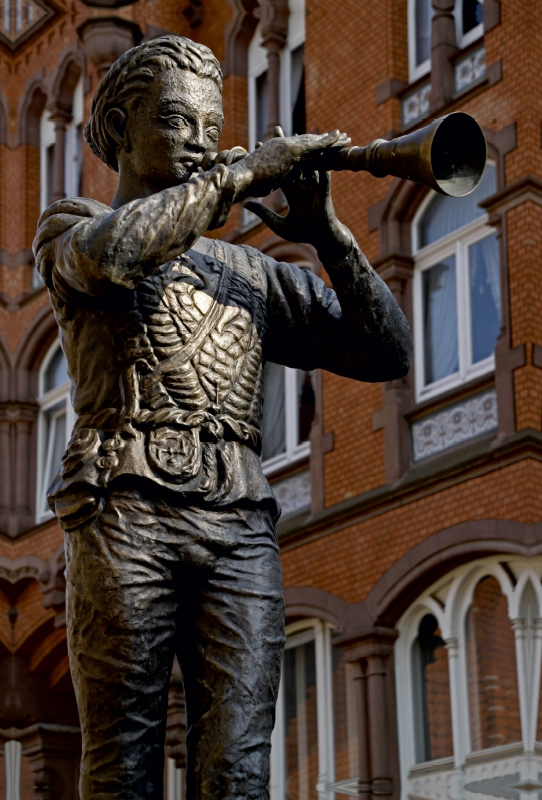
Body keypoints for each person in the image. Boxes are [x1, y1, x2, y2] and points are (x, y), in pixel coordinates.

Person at [33, 35, 411, 800]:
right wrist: (243, 175)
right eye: (176, 122)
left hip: (241, 522)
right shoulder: (70, 226)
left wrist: (329, 237)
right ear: (121, 127)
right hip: (125, 507)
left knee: (240, 765)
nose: (201, 142)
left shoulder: (249, 272)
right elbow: (116, 255)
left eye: (210, 126)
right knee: (122, 763)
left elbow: (385, 351)